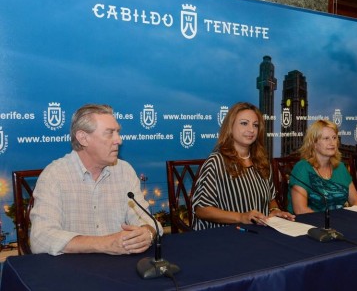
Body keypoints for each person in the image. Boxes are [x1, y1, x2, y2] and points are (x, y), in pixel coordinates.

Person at [30, 104, 160, 256]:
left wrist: (147, 233)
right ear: (83, 138)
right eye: (109, 133)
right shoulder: (55, 175)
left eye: (117, 132)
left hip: (120, 268)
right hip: (73, 271)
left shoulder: (125, 171)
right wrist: (105, 243)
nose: (119, 140)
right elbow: (41, 239)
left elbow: (148, 222)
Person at [192, 102, 295, 230]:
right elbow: (201, 209)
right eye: (244, 123)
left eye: (255, 125)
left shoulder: (262, 161)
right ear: (230, 127)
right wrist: (241, 217)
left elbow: (270, 198)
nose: (251, 130)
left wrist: (274, 210)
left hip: (259, 233)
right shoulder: (216, 162)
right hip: (223, 237)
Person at [288, 120, 357, 215]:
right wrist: (330, 223)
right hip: (309, 226)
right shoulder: (302, 168)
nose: (332, 143)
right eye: (326, 138)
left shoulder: (340, 167)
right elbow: (300, 210)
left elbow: (356, 202)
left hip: (341, 223)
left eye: (334, 138)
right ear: (314, 143)